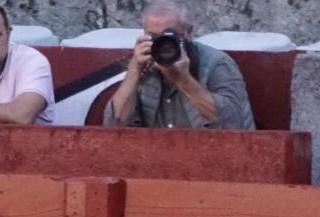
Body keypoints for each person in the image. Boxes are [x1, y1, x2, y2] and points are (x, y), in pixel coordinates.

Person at [104, 0, 255, 130]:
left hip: (210, 155)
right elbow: (113, 126)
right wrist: (134, 70)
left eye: (168, 37)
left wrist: (184, 80)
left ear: (188, 32)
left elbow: (234, 124)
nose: (162, 44)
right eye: (154, 37)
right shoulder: (142, 65)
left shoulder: (217, 63)